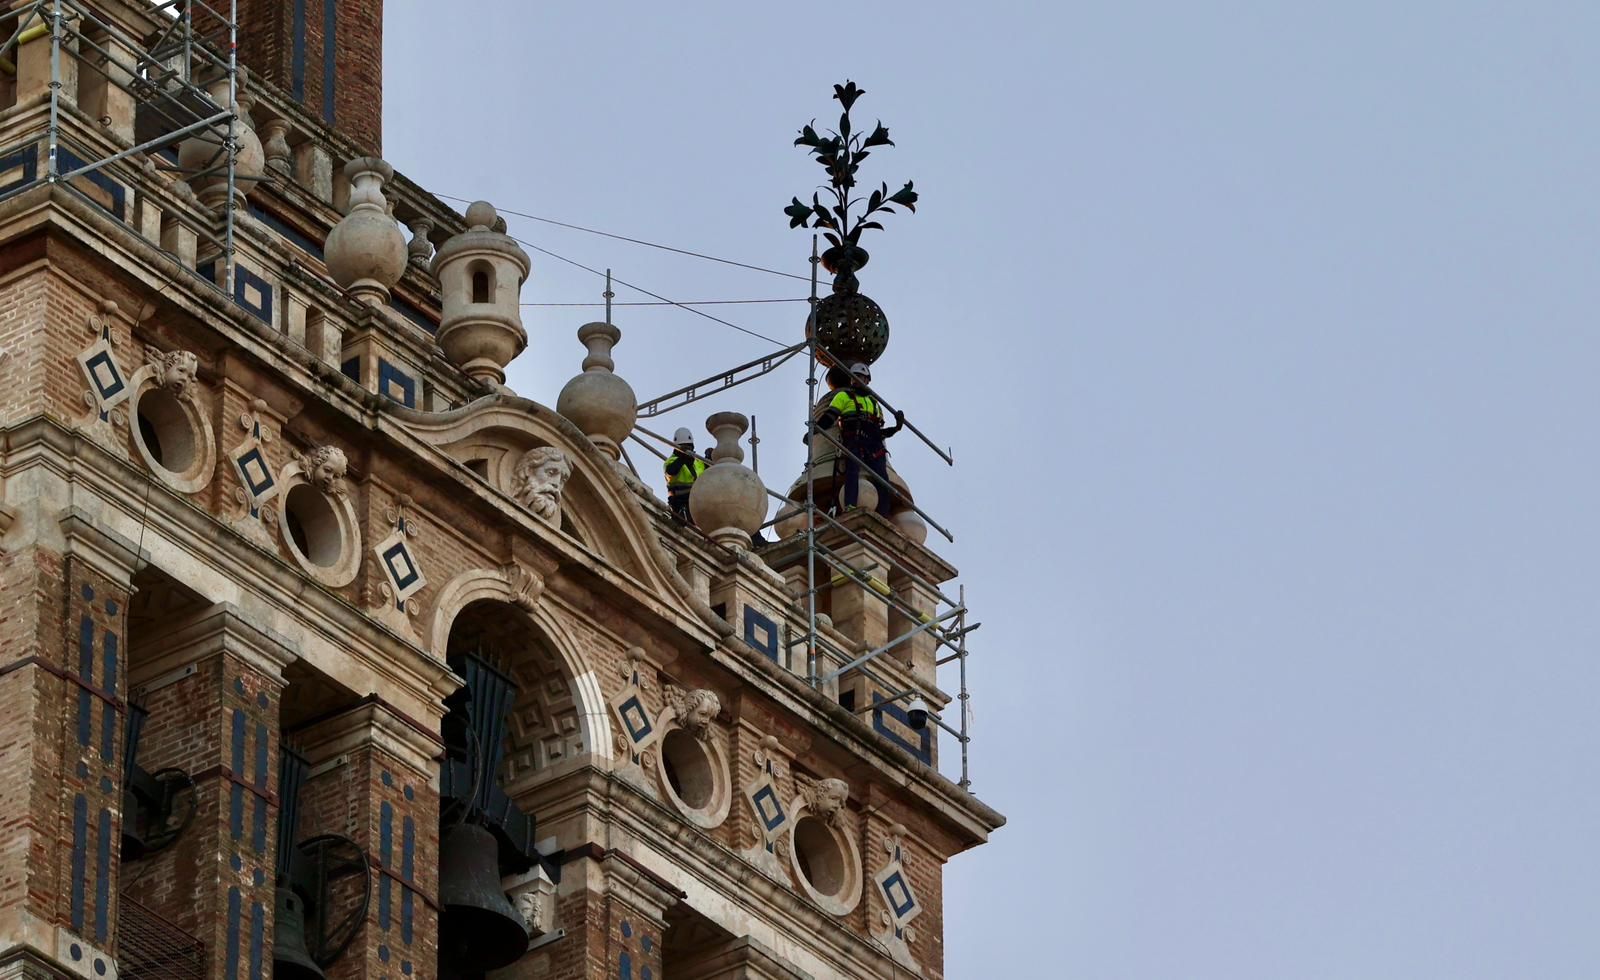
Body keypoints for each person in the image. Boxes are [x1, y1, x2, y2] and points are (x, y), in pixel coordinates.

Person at [810, 362, 903, 517]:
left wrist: (896, 427)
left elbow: (880, 432)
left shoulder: (874, 403)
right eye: (857, 377)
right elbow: (830, 416)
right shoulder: (843, 396)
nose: (860, 380)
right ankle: (850, 506)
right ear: (852, 379)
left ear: (868, 380)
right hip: (855, 438)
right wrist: (814, 431)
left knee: (882, 479)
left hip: (874, 444)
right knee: (852, 470)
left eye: (863, 378)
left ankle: (883, 514)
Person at [663, 428, 707, 523]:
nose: (688, 449)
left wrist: (709, 458)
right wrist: (682, 459)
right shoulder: (671, 461)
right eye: (684, 447)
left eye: (689, 446)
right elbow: (671, 471)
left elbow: (707, 473)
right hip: (680, 502)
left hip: (697, 500)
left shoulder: (697, 462)